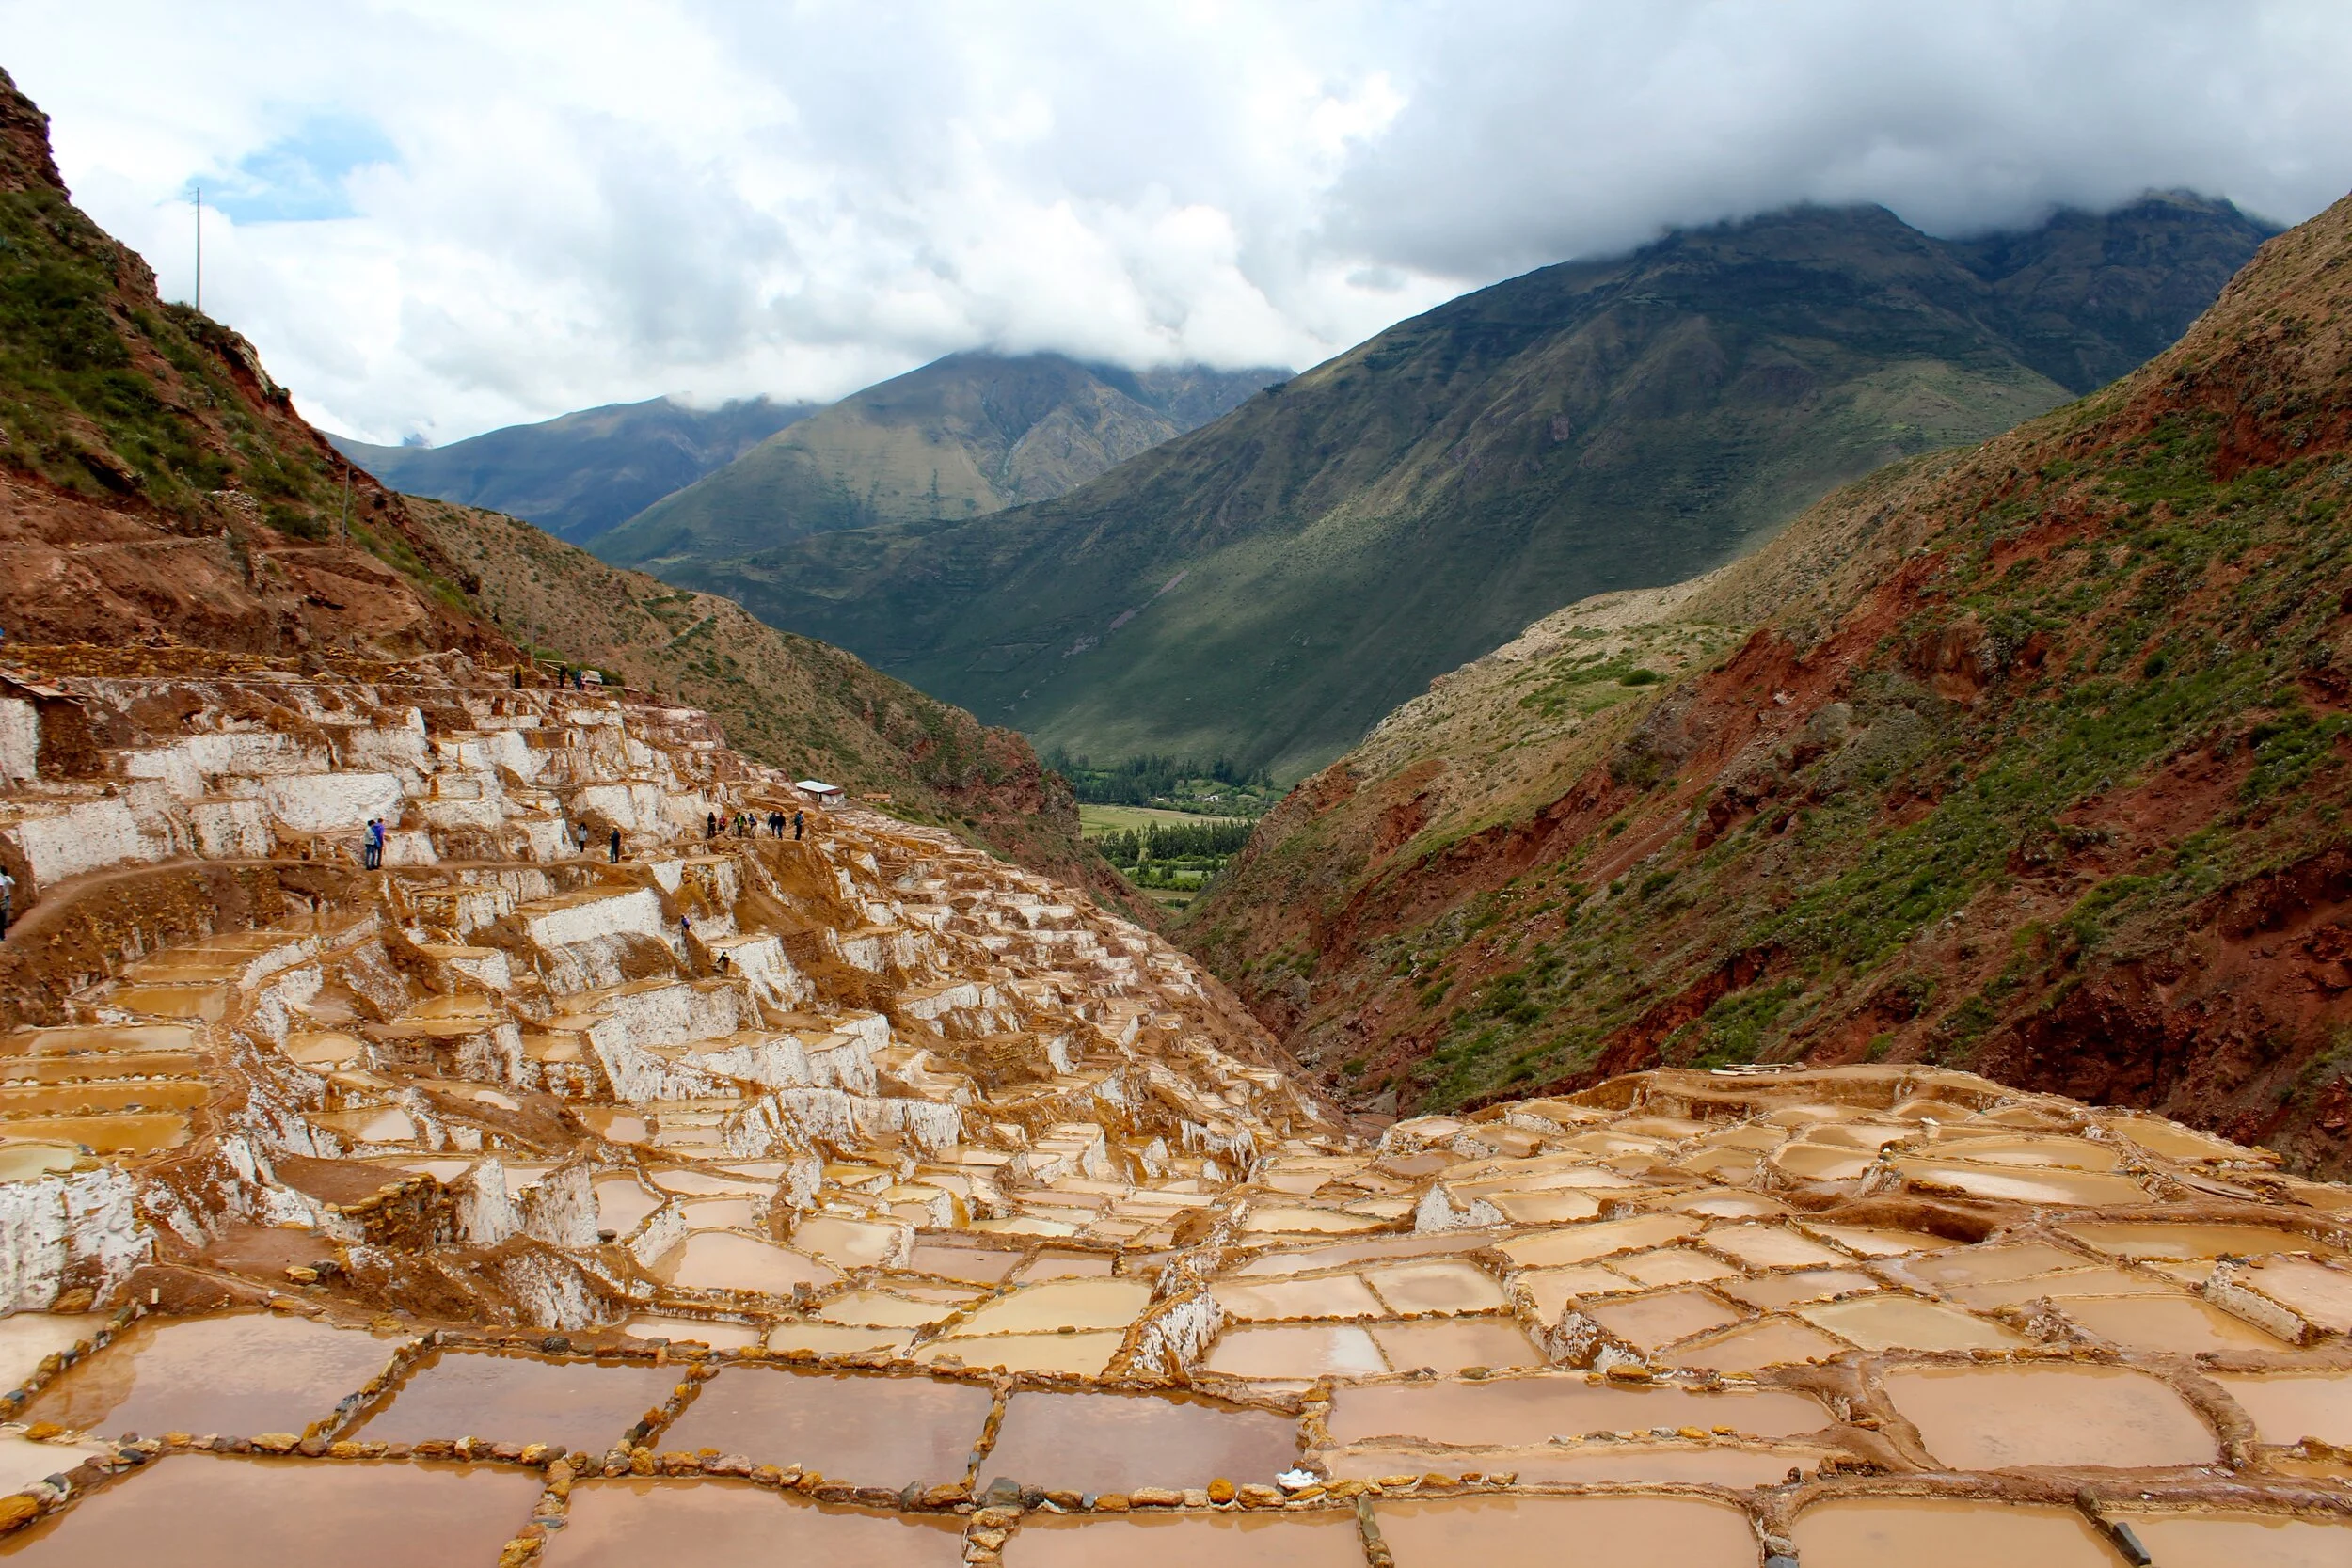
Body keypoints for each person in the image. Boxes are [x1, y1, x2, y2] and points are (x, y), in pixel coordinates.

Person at [0, 865, 14, 934]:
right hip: (4, 897)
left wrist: (7, 878)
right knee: (4, 911)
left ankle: (6, 924)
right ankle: (5, 924)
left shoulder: (6, 878)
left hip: (6, 896)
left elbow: (13, 883)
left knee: (5, 911)